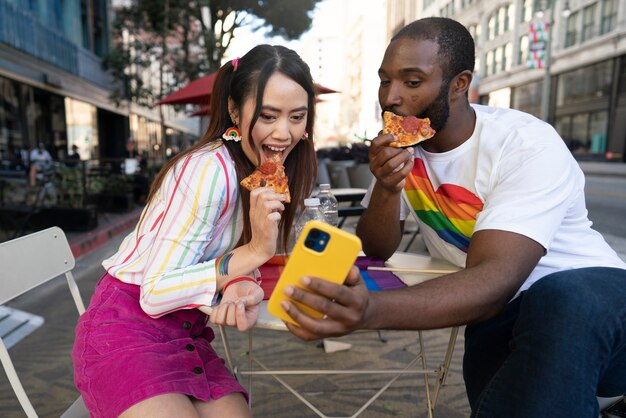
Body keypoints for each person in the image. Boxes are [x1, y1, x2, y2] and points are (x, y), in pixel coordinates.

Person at [280, 17, 626, 418]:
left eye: (412, 82)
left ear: (459, 83)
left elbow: (495, 279)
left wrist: (371, 310)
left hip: (599, 303)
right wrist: (388, 188)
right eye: (384, 81)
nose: (391, 97)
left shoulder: (524, 142)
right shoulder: (408, 151)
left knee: (561, 297)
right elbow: (377, 246)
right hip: (506, 317)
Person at [72, 44, 317, 418]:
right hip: (123, 329)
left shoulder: (258, 172)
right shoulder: (208, 170)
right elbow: (154, 293)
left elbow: (215, 255)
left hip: (185, 335)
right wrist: (253, 254)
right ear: (235, 110)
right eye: (268, 116)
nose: (284, 133)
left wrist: (239, 281)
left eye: (297, 117)